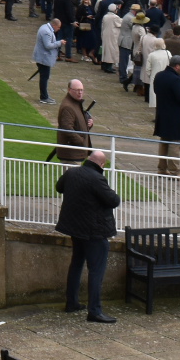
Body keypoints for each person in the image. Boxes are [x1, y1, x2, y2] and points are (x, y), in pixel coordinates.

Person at [55, 149, 120, 323]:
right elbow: (114, 200)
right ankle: (95, 311)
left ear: (88, 159)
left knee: (76, 264)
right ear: (101, 164)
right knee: (96, 270)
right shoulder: (97, 178)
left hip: (76, 228)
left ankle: (72, 302)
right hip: (94, 231)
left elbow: (59, 187)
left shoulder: (72, 173)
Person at [153, 55, 180, 176]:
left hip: (162, 113)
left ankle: (162, 168)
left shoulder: (159, 75)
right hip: (175, 116)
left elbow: (156, 91)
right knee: (175, 143)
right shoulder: (175, 79)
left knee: (164, 142)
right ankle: (174, 171)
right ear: (177, 66)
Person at [51, 79, 93, 163]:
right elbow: (67, 128)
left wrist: (89, 123)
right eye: (77, 90)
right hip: (71, 154)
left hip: (75, 153)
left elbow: (77, 123)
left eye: (81, 90)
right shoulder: (68, 107)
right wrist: (80, 141)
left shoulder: (75, 103)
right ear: (69, 90)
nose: (80, 92)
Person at [32, 18, 66, 105]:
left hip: (43, 57)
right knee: (44, 77)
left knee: (44, 77)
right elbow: (48, 45)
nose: (59, 29)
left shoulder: (45, 27)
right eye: (58, 27)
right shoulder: (46, 31)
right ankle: (44, 97)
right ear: (54, 25)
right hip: (43, 58)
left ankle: (45, 95)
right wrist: (59, 43)